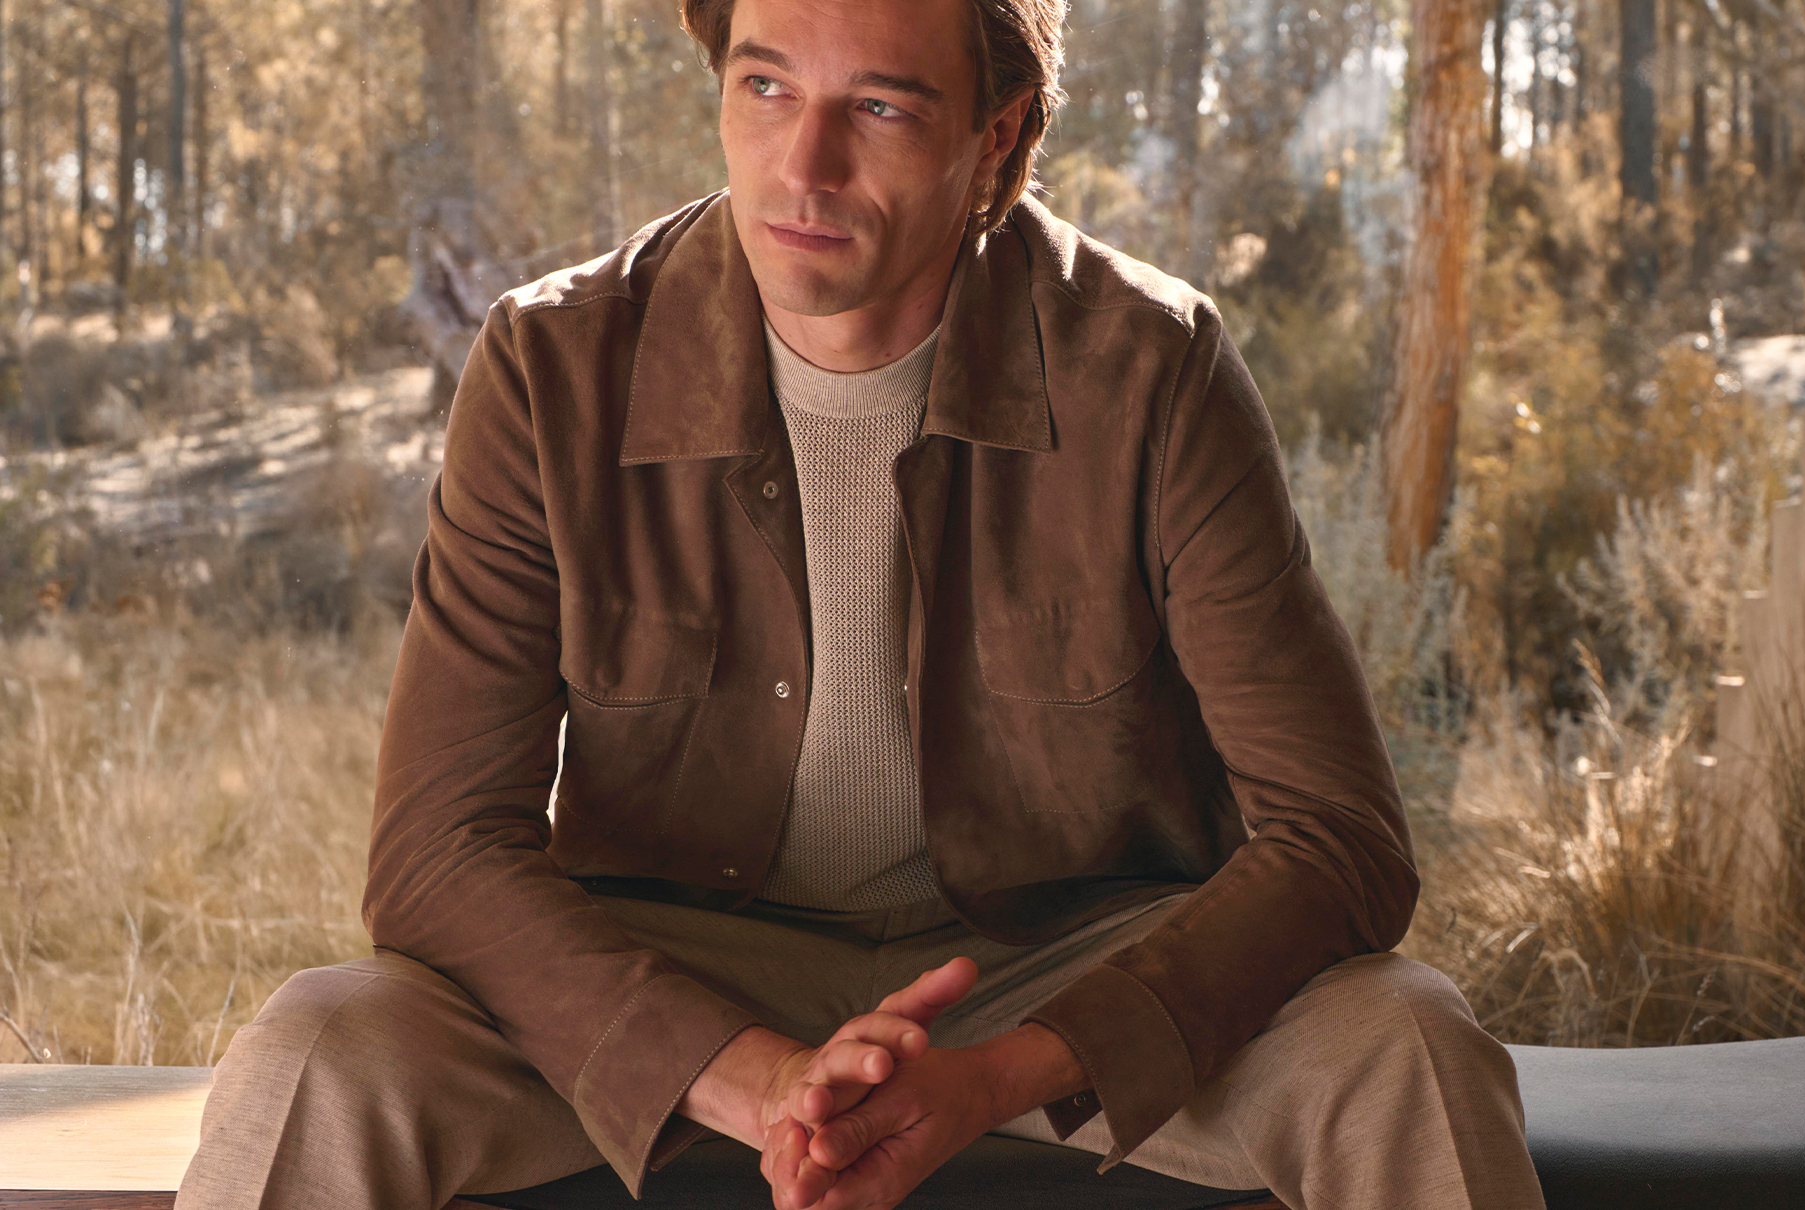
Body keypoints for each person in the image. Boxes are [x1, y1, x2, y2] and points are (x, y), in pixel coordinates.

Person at [176, 0, 1545, 1206]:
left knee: (1403, 1045)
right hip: (671, 972)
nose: (805, 165)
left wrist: (1000, 1074)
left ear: (998, 139)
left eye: (879, 108)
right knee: (322, 1048)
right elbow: (434, 855)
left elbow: (1341, 840)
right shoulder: (554, 365)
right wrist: (759, 1078)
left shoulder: (1152, 368)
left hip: (1061, 971)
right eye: (766, 86)